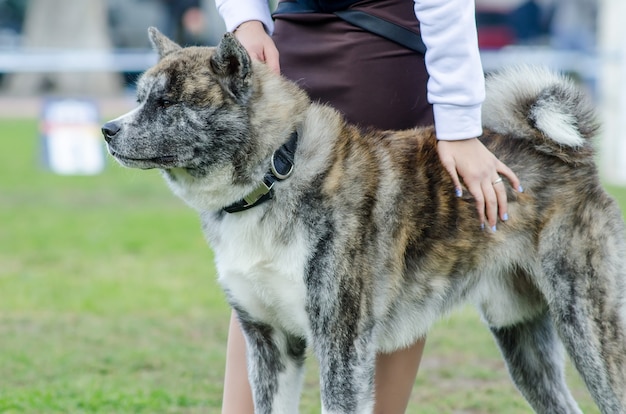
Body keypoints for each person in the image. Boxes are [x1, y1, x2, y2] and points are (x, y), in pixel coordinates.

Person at [214, 0, 522, 412]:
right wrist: (245, 19)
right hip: (282, 54)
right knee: (260, 255)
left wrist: (460, 125)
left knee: (385, 266)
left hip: (382, 52)